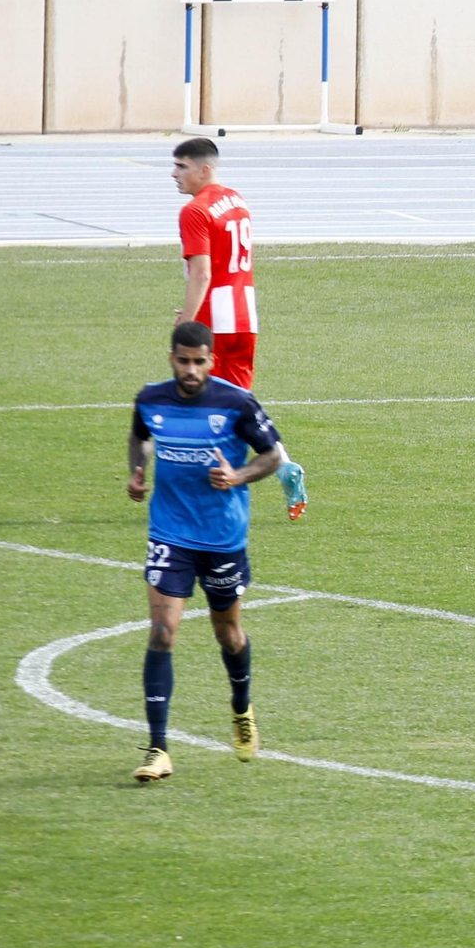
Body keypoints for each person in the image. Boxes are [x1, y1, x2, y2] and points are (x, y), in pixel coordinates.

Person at [125, 322, 284, 782]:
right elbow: (140, 437)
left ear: (211, 361)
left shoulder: (236, 403)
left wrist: (237, 476)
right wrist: (137, 470)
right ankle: (158, 749)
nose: (191, 370)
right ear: (171, 358)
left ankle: (241, 707)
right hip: (170, 533)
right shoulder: (151, 399)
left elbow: (272, 456)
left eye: (199, 362)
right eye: (183, 361)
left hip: (222, 537)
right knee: (162, 632)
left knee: (228, 635)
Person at [171, 137, 307, 521]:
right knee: (238, 401)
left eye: (181, 166)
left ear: (204, 170)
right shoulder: (236, 199)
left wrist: (188, 320)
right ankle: (282, 463)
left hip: (214, 321)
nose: (174, 174)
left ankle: (210, 485)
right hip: (244, 315)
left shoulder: (194, 210)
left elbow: (202, 273)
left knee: (202, 401)